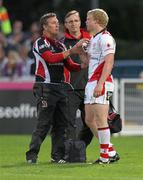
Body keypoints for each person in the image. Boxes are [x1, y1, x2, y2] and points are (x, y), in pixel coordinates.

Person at [25, 12, 87, 164]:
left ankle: (56, 156)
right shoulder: (40, 42)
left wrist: (83, 65)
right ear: (44, 26)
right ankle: (31, 156)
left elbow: (69, 65)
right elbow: (50, 58)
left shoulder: (60, 45)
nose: (57, 24)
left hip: (60, 87)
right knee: (43, 123)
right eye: (53, 23)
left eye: (57, 22)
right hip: (45, 86)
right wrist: (72, 51)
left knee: (61, 124)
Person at [51, 10, 93, 162]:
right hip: (69, 89)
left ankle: (77, 150)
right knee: (68, 124)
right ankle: (66, 155)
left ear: (80, 22)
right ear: (66, 25)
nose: (73, 24)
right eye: (70, 22)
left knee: (91, 123)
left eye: (76, 20)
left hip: (90, 88)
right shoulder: (61, 43)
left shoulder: (92, 38)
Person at [84, 9, 120, 164]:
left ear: (96, 21)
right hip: (91, 82)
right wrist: (83, 49)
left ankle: (104, 157)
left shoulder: (106, 38)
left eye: (88, 18)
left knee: (100, 119)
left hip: (101, 82)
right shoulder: (94, 39)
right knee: (89, 119)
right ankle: (110, 150)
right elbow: (89, 62)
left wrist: (100, 84)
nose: (86, 21)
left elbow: (109, 62)